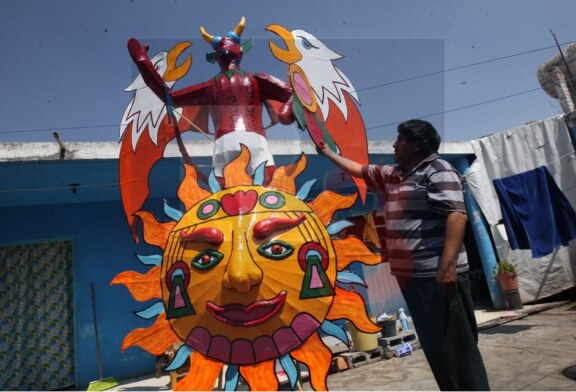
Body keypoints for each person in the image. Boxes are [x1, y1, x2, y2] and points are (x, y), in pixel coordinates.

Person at [319, 119, 490, 391]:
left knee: (457, 350)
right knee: (438, 350)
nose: (394, 144)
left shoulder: (438, 169)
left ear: (416, 144)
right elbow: (361, 171)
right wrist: (328, 153)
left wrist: (446, 269)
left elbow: (456, 216)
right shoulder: (396, 174)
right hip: (414, 280)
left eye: (400, 140)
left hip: (437, 277)